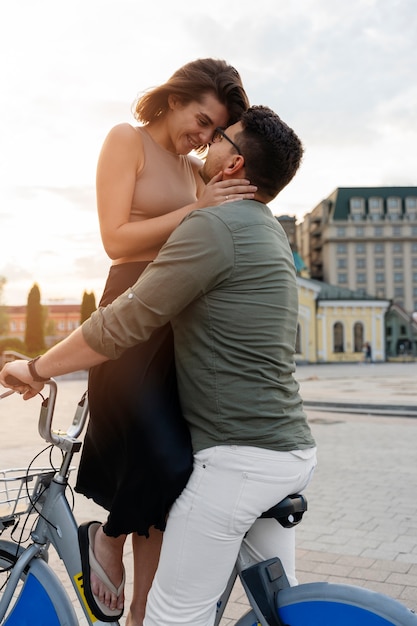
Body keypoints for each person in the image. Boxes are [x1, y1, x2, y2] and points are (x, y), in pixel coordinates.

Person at [0, 105, 317, 626]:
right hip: (289, 449)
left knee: (171, 616)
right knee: (279, 612)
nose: (207, 143)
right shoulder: (266, 231)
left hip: (240, 460)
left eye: (220, 138)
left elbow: (120, 324)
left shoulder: (214, 226)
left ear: (234, 165)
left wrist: (36, 369)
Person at [69, 58, 254, 624]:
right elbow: (115, 240)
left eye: (213, 131)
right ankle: (107, 535)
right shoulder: (127, 141)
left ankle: (141, 617)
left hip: (177, 325)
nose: (202, 137)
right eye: (200, 120)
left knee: (169, 497)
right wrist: (195, 209)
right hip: (126, 318)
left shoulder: (194, 168)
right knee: (165, 461)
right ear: (175, 99)